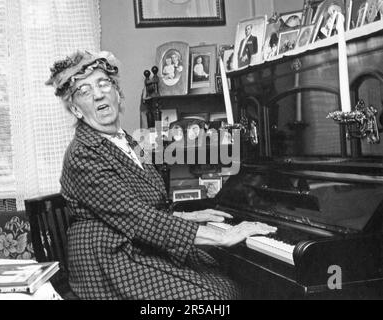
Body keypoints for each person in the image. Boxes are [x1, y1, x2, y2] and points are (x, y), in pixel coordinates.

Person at [45, 50, 276, 300]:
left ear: (117, 93)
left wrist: (188, 215)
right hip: (109, 261)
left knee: (228, 283)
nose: (99, 93)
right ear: (76, 110)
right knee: (212, 300)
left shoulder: (127, 141)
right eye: (85, 91)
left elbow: (141, 204)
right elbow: (135, 216)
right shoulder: (83, 153)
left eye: (103, 83)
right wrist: (224, 235)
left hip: (135, 243)